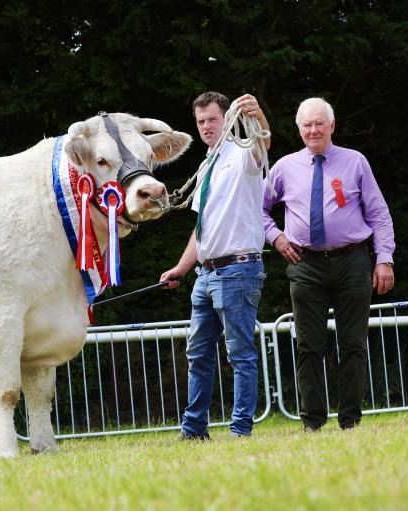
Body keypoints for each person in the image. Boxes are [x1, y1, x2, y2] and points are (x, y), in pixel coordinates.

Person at [263, 97, 395, 431]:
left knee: (353, 343)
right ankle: (312, 421)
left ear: (332, 126)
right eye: (307, 125)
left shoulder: (356, 162)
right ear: (299, 129)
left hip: (352, 260)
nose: (313, 130)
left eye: (319, 123)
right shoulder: (284, 167)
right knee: (309, 345)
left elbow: (379, 214)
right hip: (305, 264)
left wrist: (384, 259)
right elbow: (257, 208)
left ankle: (350, 420)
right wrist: (277, 238)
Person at [160, 91, 271, 439]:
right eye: (200, 121)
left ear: (227, 119)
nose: (206, 126)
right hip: (205, 274)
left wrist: (258, 117)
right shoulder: (207, 163)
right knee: (198, 354)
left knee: (240, 354)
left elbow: (262, 145)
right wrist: (181, 267)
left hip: (238, 269)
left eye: (212, 119)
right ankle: (193, 430)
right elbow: (202, 228)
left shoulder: (243, 154)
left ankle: (240, 430)